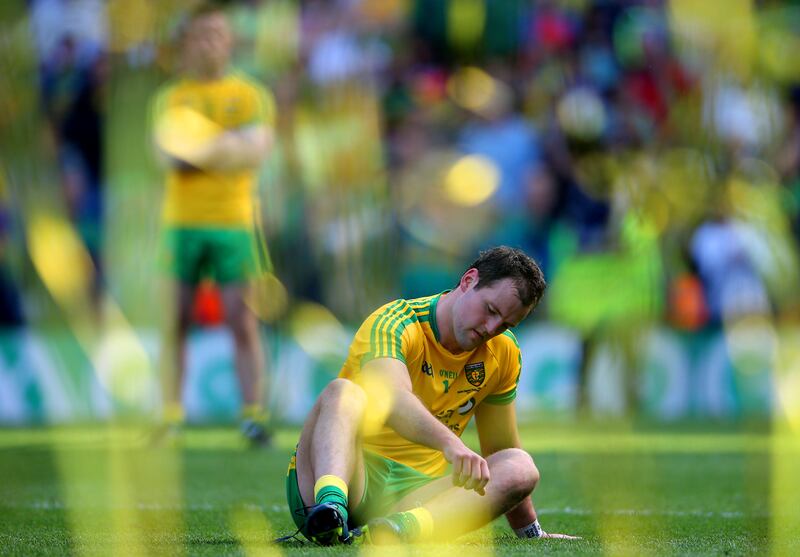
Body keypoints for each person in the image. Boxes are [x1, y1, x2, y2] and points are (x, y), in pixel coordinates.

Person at [284, 246, 579, 544]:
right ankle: (330, 509)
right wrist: (451, 443)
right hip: (349, 476)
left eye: (505, 324)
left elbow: (501, 447)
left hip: (412, 496)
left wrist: (532, 532)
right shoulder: (395, 322)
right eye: (490, 310)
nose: (492, 328)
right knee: (342, 392)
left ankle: (398, 529)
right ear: (468, 281)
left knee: (521, 466)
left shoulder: (504, 352)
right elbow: (393, 401)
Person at [151, 3, 275, 445]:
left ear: (229, 41)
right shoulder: (170, 97)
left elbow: (256, 152)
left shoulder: (250, 95)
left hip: (233, 223)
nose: (210, 42)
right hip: (182, 223)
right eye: (201, 34)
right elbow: (167, 158)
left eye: (217, 34)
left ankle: (253, 415)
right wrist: (227, 145)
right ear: (188, 42)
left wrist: (196, 144)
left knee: (242, 320)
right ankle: (170, 417)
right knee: (175, 322)